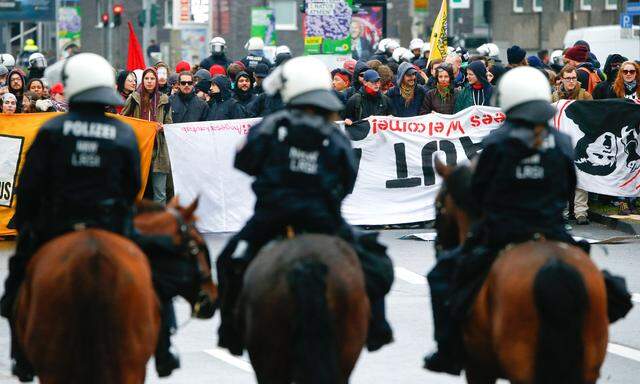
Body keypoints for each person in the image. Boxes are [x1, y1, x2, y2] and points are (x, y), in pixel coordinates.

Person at [215, 55, 394, 356]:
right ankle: (378, 327)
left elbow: (243, 162)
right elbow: (348, 180)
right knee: (376, 262)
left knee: (228, 262)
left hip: (271, 219)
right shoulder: (334, 136)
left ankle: (229, 332)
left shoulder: (269, 127)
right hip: (324, 222)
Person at [0, 52, 157, 381]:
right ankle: (165, 346)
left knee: (18, 282)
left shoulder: (52, 129)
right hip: (111, 227)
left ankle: (21, 357)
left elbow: (29, 186)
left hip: (57, 227)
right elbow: (132, 187)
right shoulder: (125, 134)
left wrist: (27, 222)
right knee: (153, 280)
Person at [424, 66, 584, 375]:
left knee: (442, 276)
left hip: (503, 232)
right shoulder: (563, 142)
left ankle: (447, 350)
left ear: (508, 100)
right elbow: (568, 186)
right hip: (553, 232)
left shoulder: (497, 142)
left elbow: (479, 193)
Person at [121, 67, 173, 205]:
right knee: (136, 190)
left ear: (156, 81)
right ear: (142, 81)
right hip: (139, 149)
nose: (149, 82)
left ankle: (158, 224)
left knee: (160, 193)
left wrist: (163, 127)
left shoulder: (164, 99)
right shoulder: (134, 98)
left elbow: (169, 124)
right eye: (146, 78)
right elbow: (123, 120)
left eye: (152, 79)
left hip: (159, 151)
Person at [552, 65, 593, 225]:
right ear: (561, 79)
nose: (571, 81)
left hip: (581, 143)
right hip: (560, 143)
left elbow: (593, 118)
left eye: (574, 78)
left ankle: (581, 212)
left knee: (582, 176)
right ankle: (560, 211)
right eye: (568, 78)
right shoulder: (554, 97)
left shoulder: (585, 95)